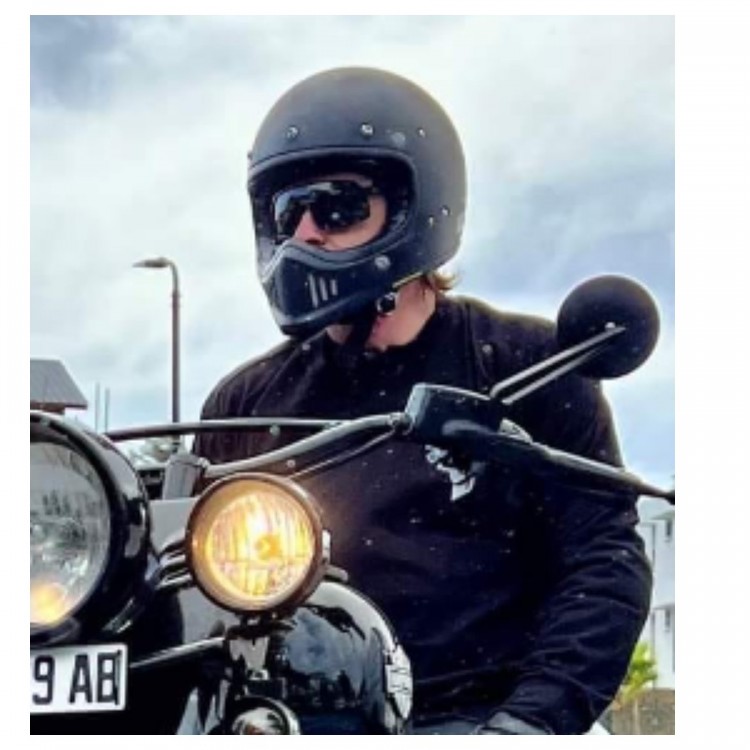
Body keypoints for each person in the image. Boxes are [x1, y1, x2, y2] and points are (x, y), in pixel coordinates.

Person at [193, 67, 652, 735]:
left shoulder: (528, 365)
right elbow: (194, 594)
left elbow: (601, 559)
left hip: (487, 714)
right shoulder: (244, 405)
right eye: (289, 212)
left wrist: (531, 721)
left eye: (339, 207)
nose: (307, 233)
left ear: (417, 204)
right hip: (290, 722)